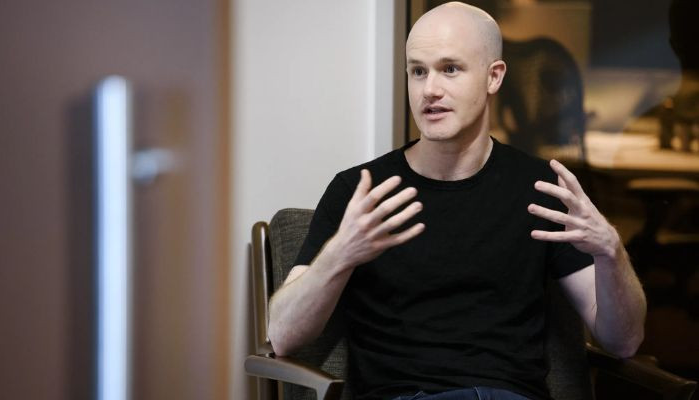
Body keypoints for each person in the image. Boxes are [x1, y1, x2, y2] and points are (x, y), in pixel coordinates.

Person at [268, 3, 647, 400]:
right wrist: (340, 255)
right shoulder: (361, 193)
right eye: (418, 71)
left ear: (493, 77)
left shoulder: (542, 190)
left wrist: (611, 251)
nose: (430, 89)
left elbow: (624, 341)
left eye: (450, 69)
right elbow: (282, 336)